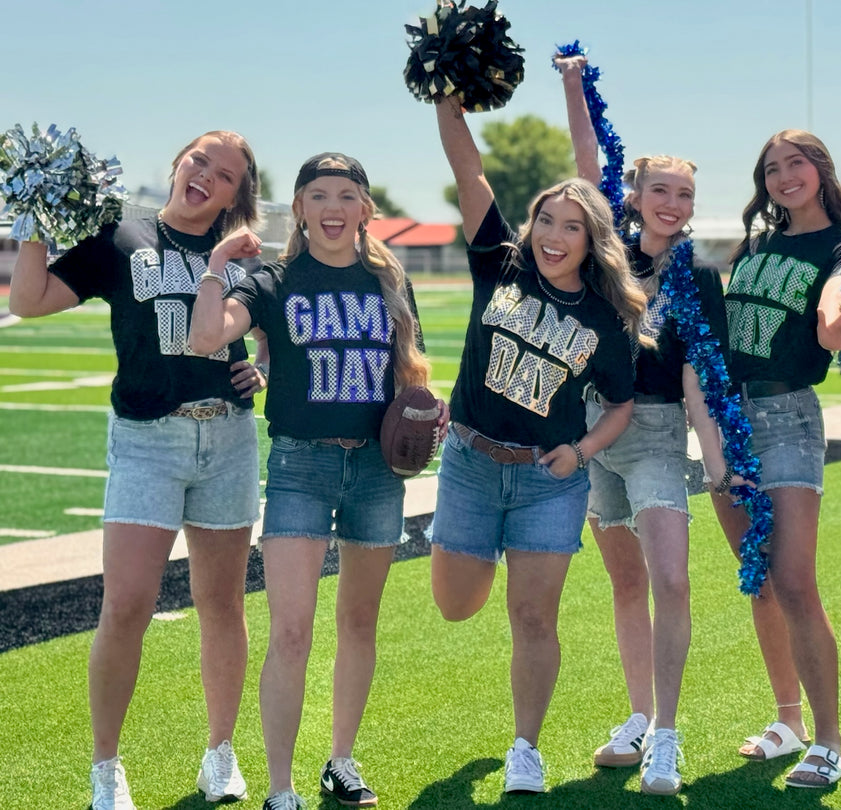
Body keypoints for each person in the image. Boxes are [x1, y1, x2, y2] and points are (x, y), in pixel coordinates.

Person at [9, 131, 265, 810]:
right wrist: (28, 213)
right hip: (148, 439)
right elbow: (28, 301)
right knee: (125, 605)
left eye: (225, 174)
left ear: (239, 193)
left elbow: (281, 326)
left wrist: (262, 364)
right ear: (179, 162)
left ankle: (219, 752)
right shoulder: (120, 236)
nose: (206, 175)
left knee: (221, 605)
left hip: (231, 439)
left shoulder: (241, 255)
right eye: (199, 160)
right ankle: (105, 766)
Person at [189, 152, 437, 810]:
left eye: (346, 195)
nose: (333, 208)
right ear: (298, 208)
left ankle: (341, 761)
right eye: (318, 195)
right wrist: (217, 269)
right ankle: (280, 786)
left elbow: (406, 378)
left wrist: (424, 419)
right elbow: (205, 336)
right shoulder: (272, 280)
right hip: (301, 464)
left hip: (377, 471)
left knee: (359, 622)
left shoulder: (390, 282)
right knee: (292, 628)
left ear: (365, 209)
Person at [431, 95, 646, 795]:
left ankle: (527, 747)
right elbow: (470, 175)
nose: (555, 235)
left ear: (592, 240)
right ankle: (483, 554)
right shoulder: (501, 265)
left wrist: (581, 453)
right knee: (456, 604)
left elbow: (621, 406)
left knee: (532, 615)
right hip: (468, 464)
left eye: (572, 226)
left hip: (546, 479)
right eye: (546, 220)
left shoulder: (610, 319)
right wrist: (447, 100)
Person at [556, 54, 746, 796]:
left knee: (672, 578)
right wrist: (573, 87)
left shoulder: (699, 279)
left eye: (685, 194)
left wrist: (720, 467)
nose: (672, 202)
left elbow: (702, 381)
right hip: (593, 433)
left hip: (660, 435)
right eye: (659, 189)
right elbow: (583, 163)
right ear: (633, 195)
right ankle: (637, 719)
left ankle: (666, 735)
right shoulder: (604, 250)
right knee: (626, 584)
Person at [719, 130, 841, 787]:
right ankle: (787, 723)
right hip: (726, 422)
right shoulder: (757, 243)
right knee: (761, 577)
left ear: (820, 169)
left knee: (796, 581)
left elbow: (837, 302)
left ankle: (829, 742)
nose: (783, 177)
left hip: (785, 420)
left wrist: (834, 327)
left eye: (794, 163)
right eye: (771, 169)